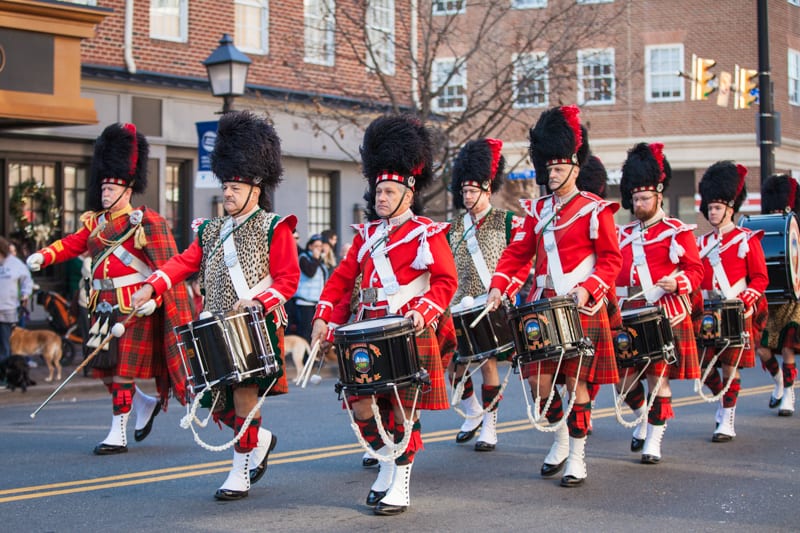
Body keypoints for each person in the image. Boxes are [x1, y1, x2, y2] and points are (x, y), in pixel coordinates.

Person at [132, 110, 299, 500]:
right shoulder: (209, 230)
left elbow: (288, 279)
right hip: (213, 324)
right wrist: (152, 286)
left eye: (235, 187)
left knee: (243, 396)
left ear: (256, 188)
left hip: (254, 324)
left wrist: (257, 301)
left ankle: (239, 470)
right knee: (211, 400)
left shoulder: (275, 226)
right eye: (225, 186)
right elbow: (183, 263)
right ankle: (260, 438)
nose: (227, 193)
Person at [310, 114, 457, 515]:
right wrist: (325, 317)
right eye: (379, 191)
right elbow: (341, 282)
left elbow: (445, 282)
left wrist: (424, 310)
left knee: (400, 410)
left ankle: (401, 482)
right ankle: (386, 460)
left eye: (390, 192)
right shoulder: (366, 237)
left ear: (409, 194)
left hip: (407, 328)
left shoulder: (427, 233)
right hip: (366, 329)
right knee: (360, 406)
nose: (382, 198)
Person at [26, 123, 192, 454]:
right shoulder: (95, 223)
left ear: (127, 191)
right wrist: (44, 256)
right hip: (101, 304)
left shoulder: (147, 222)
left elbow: (167, 268)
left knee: (123, 370)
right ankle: (143, 404)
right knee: (101, 366)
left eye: (111, 188)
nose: (104, 193)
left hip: (133, 303)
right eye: (102, 188)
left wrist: (156, 298)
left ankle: (118, 431)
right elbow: (72, 244)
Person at [487, 105, 622, 487]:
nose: (553, 175)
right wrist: (499, 286)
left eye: (560, 169)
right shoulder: (538, 211)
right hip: (542, 307)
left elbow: (612, 259)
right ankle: (562, 438)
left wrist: (590, 288)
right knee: (539, 386)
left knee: (576, 383)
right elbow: (517, 255)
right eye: (550, 168)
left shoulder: (596, 210)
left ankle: (577, 456)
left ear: (576, 168)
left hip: (581, 304)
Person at [615, 142, 704, 464]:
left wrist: (678, 282)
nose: (638, 204)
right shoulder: (621, 234)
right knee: (623, 381)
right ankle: (643, 417)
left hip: (665, 315)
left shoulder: (677, 231)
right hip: (628, 315)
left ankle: (654, 439)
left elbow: (696, 270)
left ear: (659, 196)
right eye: (635, 199)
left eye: (644, 199)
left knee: (657, 378)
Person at [446, 138, 524, 451]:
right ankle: (473, 411)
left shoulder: (508, 221)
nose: (466, 196)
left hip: (489, 305)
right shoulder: (452, 227)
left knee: (487, 364)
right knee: (454, 366)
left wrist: (508, 290)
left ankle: (489, 425)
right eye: (463, 191)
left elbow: (521, 261)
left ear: (487, 190)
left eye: (472, 191)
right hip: (457, 307)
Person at [696, 161, 768, 441]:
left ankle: (727, 418)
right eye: (710, 208)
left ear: (730, 208)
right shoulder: (701, 243)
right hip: (707, 311)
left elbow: (760, 278)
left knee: (730, 366)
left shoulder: (747, 240)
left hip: (736, 309)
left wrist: (746, 300)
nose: (713, 212)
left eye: (718, 208)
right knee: (703, 368)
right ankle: (723, 401)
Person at [756, 174, 799, 416]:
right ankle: (779, 380)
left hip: (793, 297)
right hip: (768, 298)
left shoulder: (797, 226)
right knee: (762, 348)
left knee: (787, 347)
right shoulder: (761, 227)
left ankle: (789, 395)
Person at [0, 237, 33, 369]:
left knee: (4, 344)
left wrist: (25, 294)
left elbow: (27, 281)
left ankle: (3, 376)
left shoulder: (16, 264)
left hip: (7, 310)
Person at [294, 234, 328, 342]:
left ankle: (313, 355)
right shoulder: (303, 258)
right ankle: (305, 357)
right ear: (310, 246)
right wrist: (315, 258)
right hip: (304, 302)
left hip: (316, 301)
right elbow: (310, 273)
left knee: (314, 330)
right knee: (306, 331)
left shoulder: (319, 260)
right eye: (316, 246)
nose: (319, 248)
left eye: (320, 246)